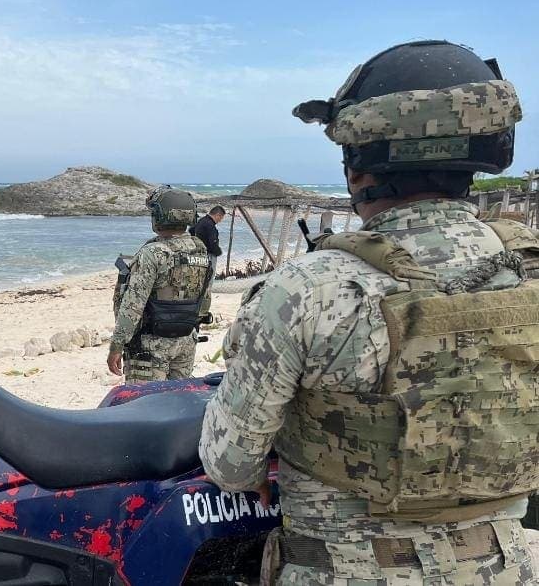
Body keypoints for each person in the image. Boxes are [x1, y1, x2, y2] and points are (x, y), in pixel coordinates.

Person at [198, 40, 539, 584]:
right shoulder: (529, 272)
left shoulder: (306, 290)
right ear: (491, 147)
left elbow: (232, 465)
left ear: (358, 165)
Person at [108, 186, 213, 383]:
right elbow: (204, 300)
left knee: (144, 407)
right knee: (177, 401)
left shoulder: (153, 253)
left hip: (150, 345)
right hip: (185, 341)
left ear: (159, 216)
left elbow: (133, 304)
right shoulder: (200, 250)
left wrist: (116, 346)